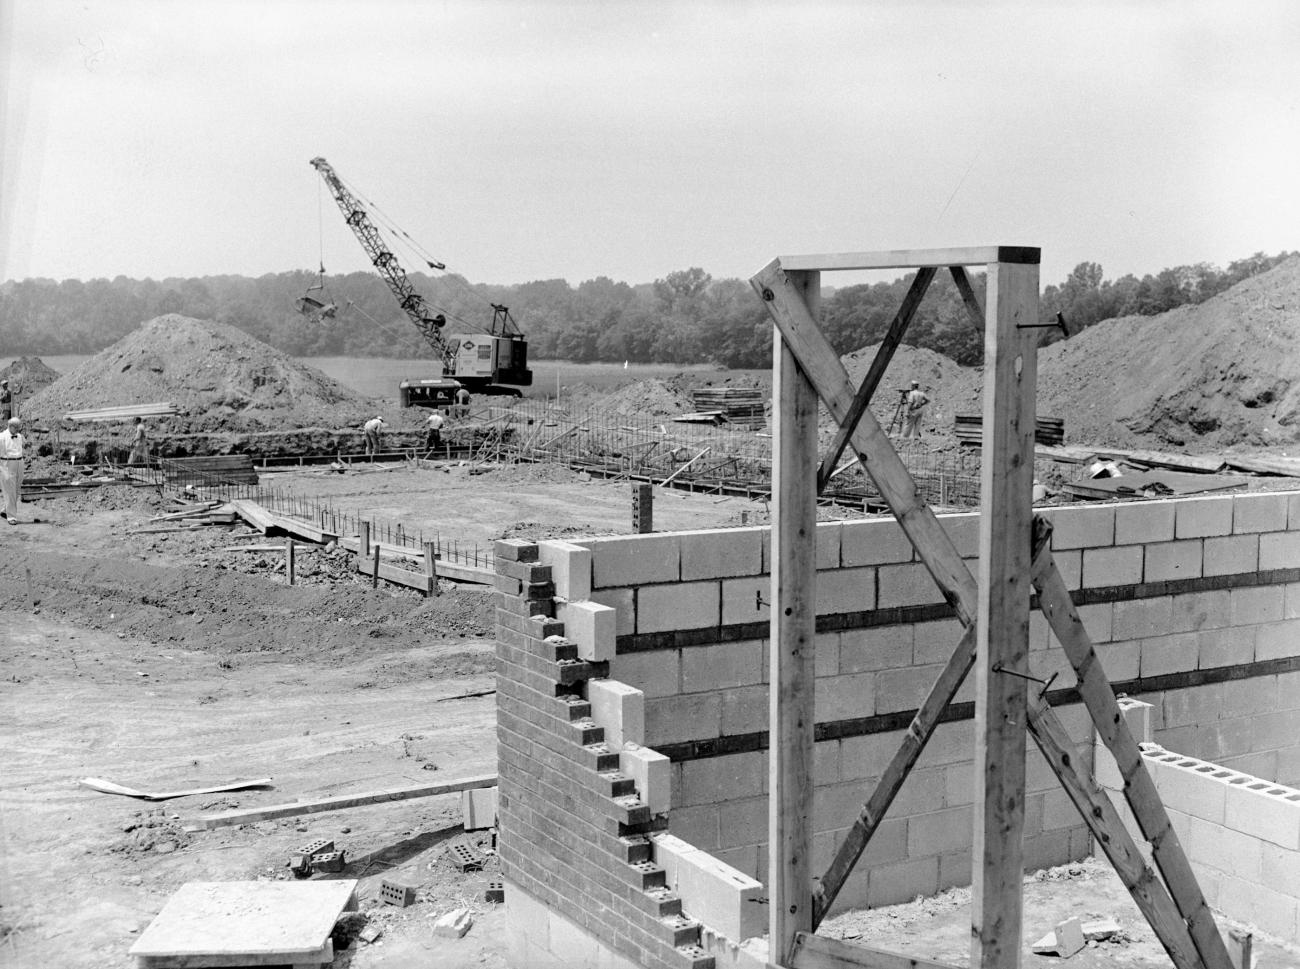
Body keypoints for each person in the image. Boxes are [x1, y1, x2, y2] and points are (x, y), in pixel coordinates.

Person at [0, 416, 25, 524]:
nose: (18, 430)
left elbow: (21, 446)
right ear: (10, 426)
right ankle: (11, 517)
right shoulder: (2, 437)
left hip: (19, 462)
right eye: (17, 428)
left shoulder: (19, 436)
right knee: (9, 490)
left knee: (16, 489)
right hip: (7, 463)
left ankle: (5, 509)